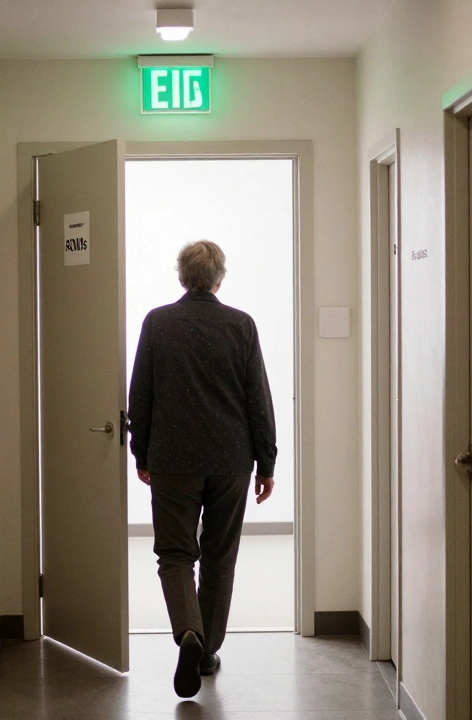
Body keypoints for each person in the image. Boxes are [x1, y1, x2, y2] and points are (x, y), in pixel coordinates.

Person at [127, 239, 277, 699]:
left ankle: (187, 633)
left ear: (180, 277)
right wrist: (266, 462)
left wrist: (142, 453)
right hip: (231, 460)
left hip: (172, 460)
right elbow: (258, 400)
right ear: (219, 278)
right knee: (219, 558)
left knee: (174, 556)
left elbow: (141, 396)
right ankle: (207, 649)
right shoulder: (241, 325)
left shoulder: (158, 322)